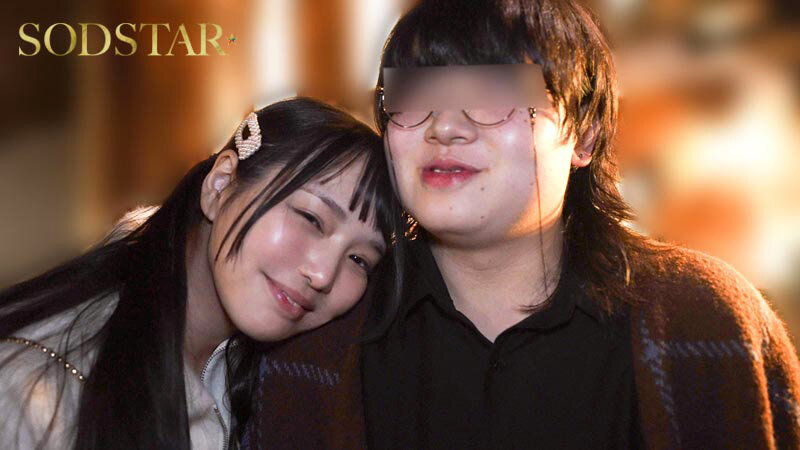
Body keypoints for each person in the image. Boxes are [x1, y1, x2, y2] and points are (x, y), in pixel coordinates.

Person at [244, 1, 800, 449]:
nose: (445, 127)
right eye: (413, 95)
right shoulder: (321, 325)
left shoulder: (701, 318)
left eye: (495, 92)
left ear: (584, 136)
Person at [0, 97, 404, 449]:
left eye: (359, 260)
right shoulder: (35, 395)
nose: (322, 274)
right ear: (220, 184)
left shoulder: (282, 378)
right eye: (311, 218)